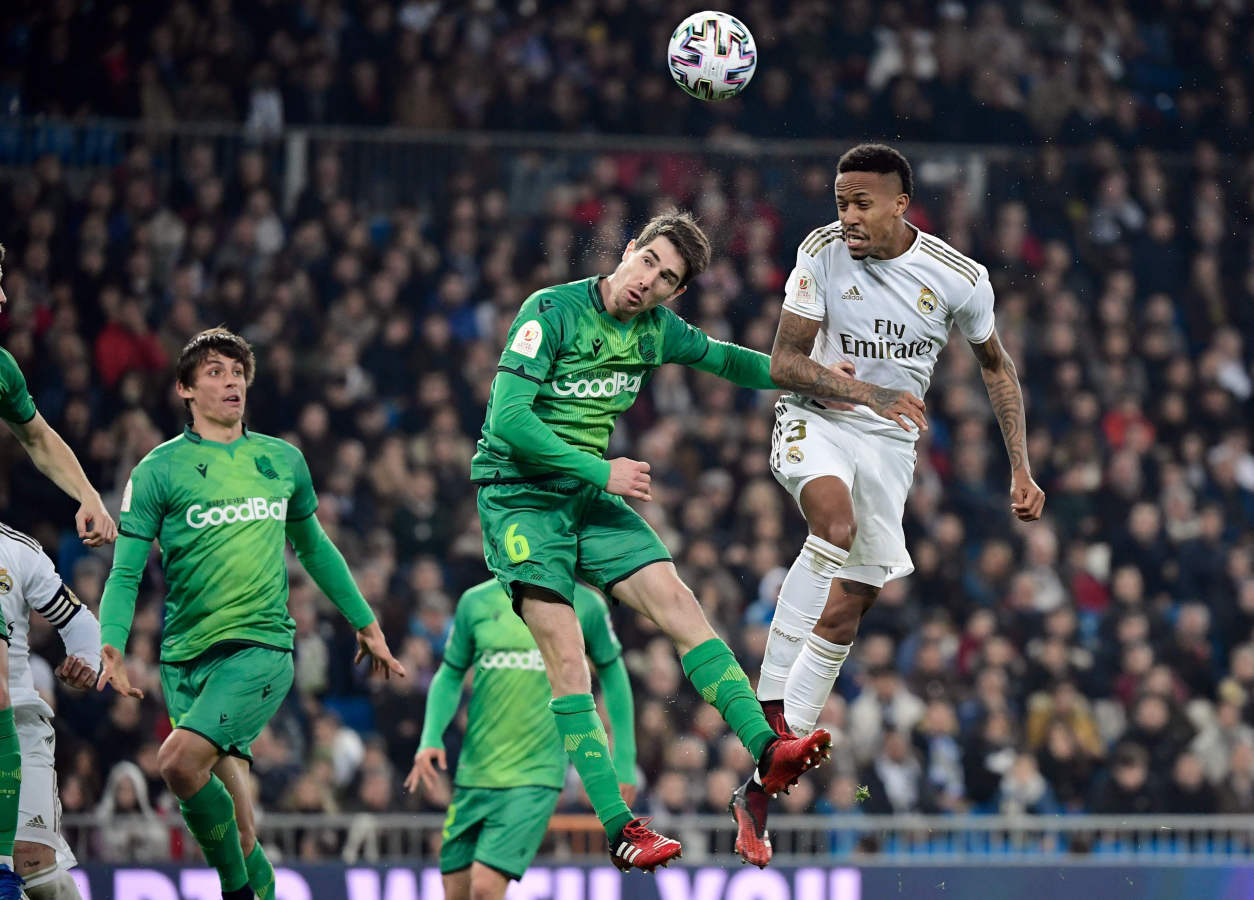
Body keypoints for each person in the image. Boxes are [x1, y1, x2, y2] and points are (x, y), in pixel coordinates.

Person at [472, 209, 920, 871]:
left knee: (682, 608)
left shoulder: (657, 331)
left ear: (675, 294)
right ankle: (622, 828)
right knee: (569, 659)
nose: (647, 282)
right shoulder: (552, 311)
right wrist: (603, 469)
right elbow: (507, 420)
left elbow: (738, 363)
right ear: (628, 251)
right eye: (647, 262)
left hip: (590, 500)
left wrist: (840, 384)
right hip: (519, 500)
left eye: (665, 279)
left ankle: (768, 753)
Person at [732, 144, 1046, 866]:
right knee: (833, 527)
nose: (847, 217)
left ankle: (760, 784)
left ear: (901, 204)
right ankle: (771, 708)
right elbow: (783, 362)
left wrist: (1020, 468)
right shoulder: (820, 252)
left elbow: (997, 367)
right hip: (817, 416)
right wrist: (867, 391)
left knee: (852, 602)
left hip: (888, 446)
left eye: (861, 203)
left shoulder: (958, 278)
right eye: (841, 202)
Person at [96, 328, 405, 900]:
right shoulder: (158, 471)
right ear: (185, 389)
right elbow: (124, 572)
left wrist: (365, 620)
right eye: (214, 371)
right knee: (239, 835)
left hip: (260, 650)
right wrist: (111, 642)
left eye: (237, 371)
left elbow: (314, 548)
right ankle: (256, 889)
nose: (231, 380)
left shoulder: (281, 459)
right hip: (184, 660)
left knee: (177, 764)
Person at [0, 243, 116, 900]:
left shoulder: (2, 370)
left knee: (36, 868)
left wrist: (89, 496)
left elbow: (40, 437)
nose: (4, 299)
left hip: (14, 710)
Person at [404, 579, 635, 898]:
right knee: (455, 890)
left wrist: (624, 760)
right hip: (476, 771)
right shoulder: (475, 601)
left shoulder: (586, 604)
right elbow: (451, 672)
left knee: (484, 887)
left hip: (536, 774)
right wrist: (430, 736)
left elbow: (613, 671)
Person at [0, 521, 100, 899]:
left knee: (33, 863)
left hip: (18, 716)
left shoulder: (17, 550)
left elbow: (77, 619)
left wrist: (86, 660)